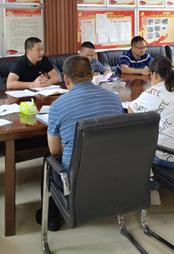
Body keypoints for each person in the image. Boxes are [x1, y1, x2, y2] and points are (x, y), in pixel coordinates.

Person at [36, 55, 123, 231]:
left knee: (48, 159)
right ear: (92, 74)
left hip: (76, 177)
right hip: (113, 170)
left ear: (66, 79)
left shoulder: (58, 106)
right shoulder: (114, 99)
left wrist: (72, 145)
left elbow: (54, 150)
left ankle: (52, 216)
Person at [129, 57, 174, 206]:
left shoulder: (153, 92)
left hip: (171, 159)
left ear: (154, 74)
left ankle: (152, 191)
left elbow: (131, 111)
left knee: (140, 143)